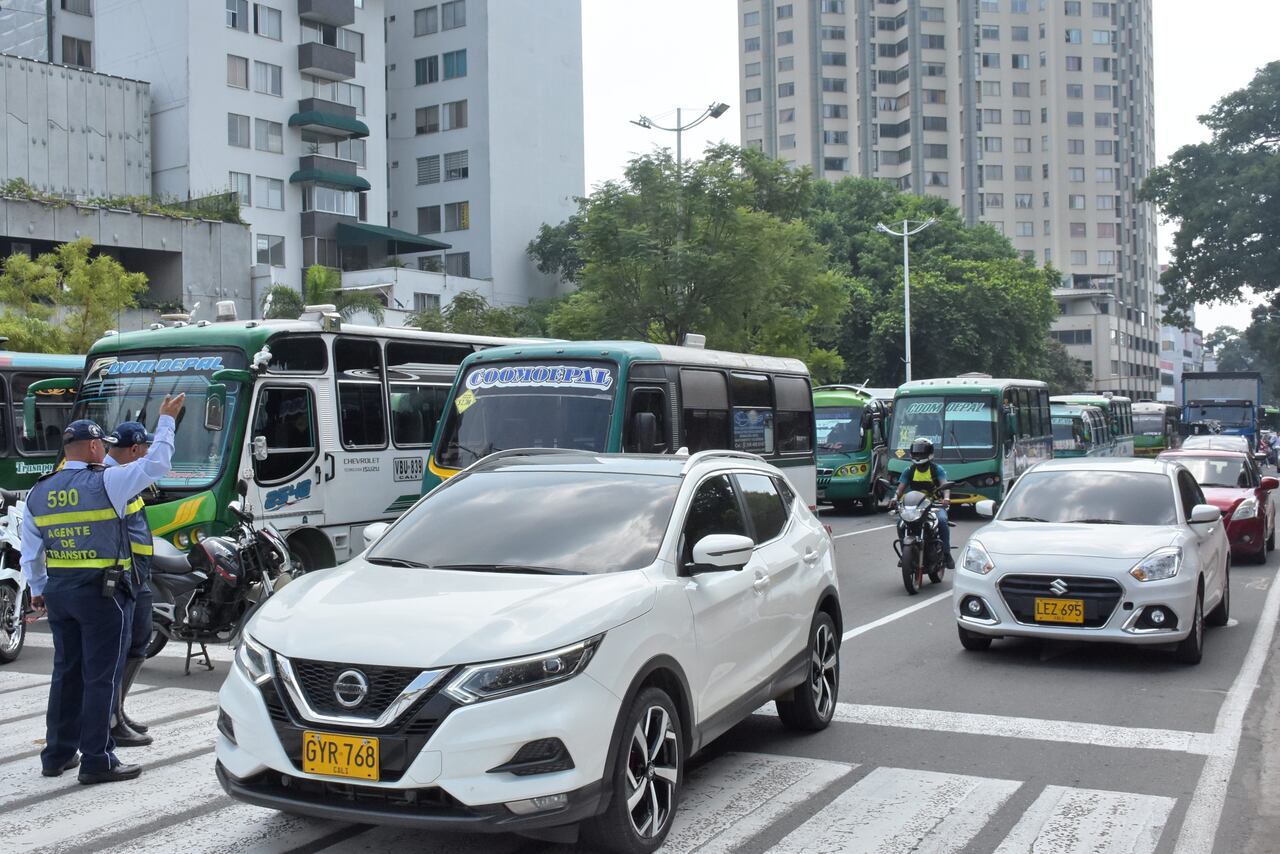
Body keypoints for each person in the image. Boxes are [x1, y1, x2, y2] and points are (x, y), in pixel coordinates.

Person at [20, 395, 183, 785]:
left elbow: (31, 552)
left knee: (66, 673)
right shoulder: (106, 480)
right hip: (103, 595)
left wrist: (39, 589)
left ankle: (57, 754)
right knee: (101, 677)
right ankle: (97, 759)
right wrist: (166, 422)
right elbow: (157, 464)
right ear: (95, 447)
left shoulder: (38, 492)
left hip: (59, 593)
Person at [103, 421, 158, 748]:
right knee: (118, 650)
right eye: (145, 448)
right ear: (135, 449)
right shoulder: (113, 478)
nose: (148, 453)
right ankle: (110, 720)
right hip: (123, 575)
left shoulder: (125, 476)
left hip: (139, 574)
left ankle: (118, 712)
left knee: (139, 642)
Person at [892, 437, 954, 569]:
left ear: (929, 453)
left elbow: (945, 486)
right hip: (916, 506)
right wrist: (894, 498)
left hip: (934, 505)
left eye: (922, 452)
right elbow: (900, 489)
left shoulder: (937, 469)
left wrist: (946, 498)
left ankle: (947, 553)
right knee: (901, 525)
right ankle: (905, 555)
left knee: (942, 521)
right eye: (916, 452)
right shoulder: (909, 471)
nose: (919, 455)